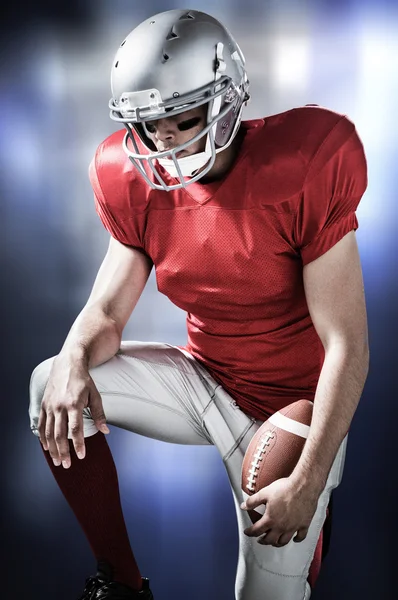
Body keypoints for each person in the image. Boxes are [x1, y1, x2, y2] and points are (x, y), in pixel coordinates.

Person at [29, 8, 369, 600]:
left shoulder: (305, 165)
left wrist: (311, 480)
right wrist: (73, 355)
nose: (163, 141)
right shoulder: (129, 179)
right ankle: (124, 586)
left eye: (180, 119)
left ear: (228, 97)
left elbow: (347, 343)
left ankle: (307, 526)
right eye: (151, 125)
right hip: (204, 380)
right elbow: (107, 315)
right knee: (50, 385)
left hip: (293, 408)